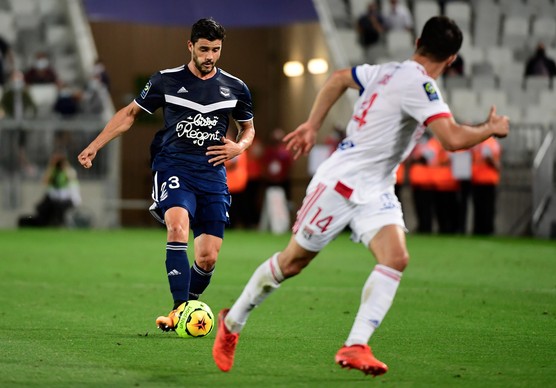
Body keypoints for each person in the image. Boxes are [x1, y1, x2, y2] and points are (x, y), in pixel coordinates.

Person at [212, 16, 509, 376]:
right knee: (292, 263)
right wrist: (490, 129)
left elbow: (339, 78)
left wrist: (312, 124)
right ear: (450, 60)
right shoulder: (422, 86)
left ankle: (355, 345)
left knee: (395, 257)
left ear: (417, 42)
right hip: (339, 184)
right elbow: (453, 139)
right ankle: (232, 323)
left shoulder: (387, 70)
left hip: (377, 189)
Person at [77, 18, 255, 329]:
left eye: (215, 50)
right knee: (177, 226)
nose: (209, 56)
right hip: (174, 166)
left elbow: (248, 129)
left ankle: (178, 313)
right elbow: (130, 114)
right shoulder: (165, 80)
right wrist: (95, 144)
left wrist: (239, 147)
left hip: (212, 174)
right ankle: (181, 306)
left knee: (208, 256)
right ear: (190, 46)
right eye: (203, 49)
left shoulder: (235, 87)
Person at [18, 153, 81, 227]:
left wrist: (65, 166)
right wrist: (52, 165)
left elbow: (71, 178)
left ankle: (59, 224)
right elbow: (45, 181)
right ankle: (43, 223)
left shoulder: (69, 170)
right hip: (57, 198)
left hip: (69, 198)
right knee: (41, 207)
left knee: (58, 207)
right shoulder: (54, 171)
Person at [471, 136, 501, 235]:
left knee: (480, 207)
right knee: (488, 207)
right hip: (487, 178)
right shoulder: (489, 142)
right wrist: (496, 165)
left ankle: (479, 228)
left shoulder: (481, 142)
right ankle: (487, 229)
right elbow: (487, 156)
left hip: (479, 178)